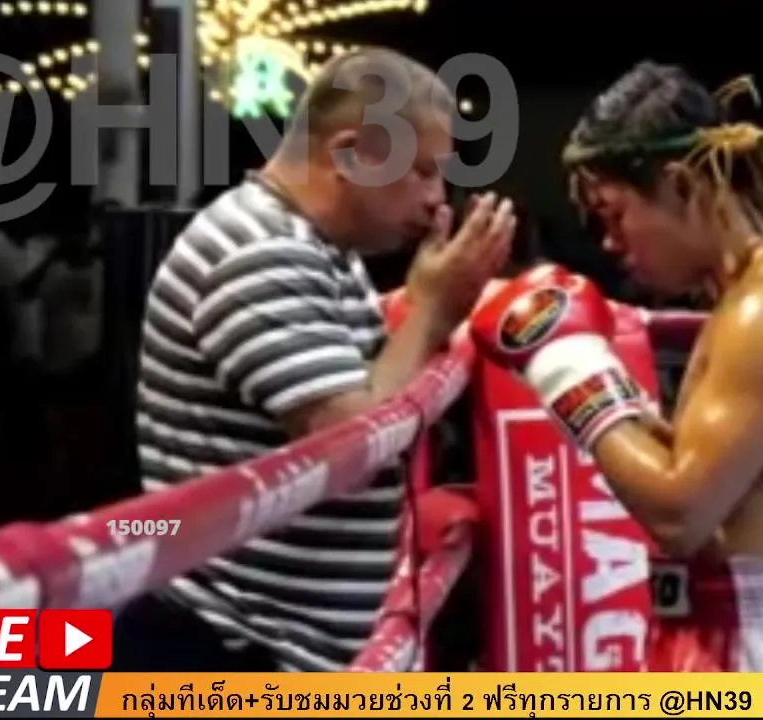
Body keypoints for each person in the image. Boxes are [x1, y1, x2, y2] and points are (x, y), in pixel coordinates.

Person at [116, 47, 514, 672]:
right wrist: (434, 311)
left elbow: (366, 385)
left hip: (271, 639)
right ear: (350, 154)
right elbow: (347, 448)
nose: (438, 200)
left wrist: (423, 305)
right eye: (422, 172)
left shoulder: (318, 246)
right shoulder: (262, 251)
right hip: (236, 650)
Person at [469, 62, 763, 670]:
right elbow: (696, 480)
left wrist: (564, 367)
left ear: (682, 185)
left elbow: (681, 513)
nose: (610, 242)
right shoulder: (746, 302)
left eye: (614, 213)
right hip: (716, 629)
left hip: (759, 649)